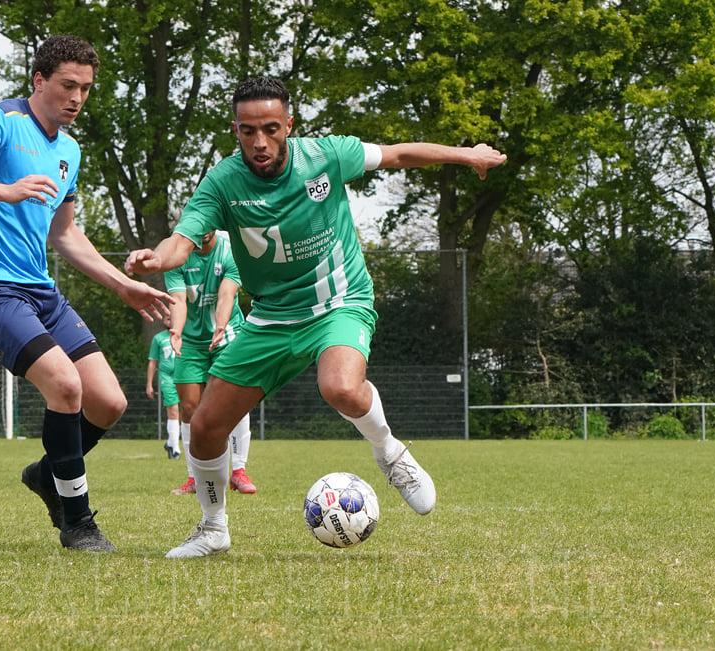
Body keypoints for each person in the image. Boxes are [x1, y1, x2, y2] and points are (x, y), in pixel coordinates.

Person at [126, 76, 507, 558]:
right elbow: (181, 242)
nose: (259, 142)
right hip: (270, 317)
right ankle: (213, 529)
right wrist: (156, 261)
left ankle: (390, 453)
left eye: (270, 128)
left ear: (289, 124)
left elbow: (397, 155)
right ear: (236, 130)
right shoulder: (222, 181)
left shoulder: (327, 155)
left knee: (340, 387)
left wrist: (467, 154)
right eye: (247, 131)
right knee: (203, 429)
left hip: (339, 302)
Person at [0, 34, 171, 552]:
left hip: (39, 290)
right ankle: (77, 521)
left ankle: (45, 472)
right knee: (65, 385)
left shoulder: (69, 149)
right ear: (39, 81)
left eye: (85, 88)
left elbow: (65, 234)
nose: (77, 97)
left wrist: (123, 282)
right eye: (67, 85)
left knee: (108, 402)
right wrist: (5, 190)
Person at [165, 230, 255, 496]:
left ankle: (238, 471)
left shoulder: (231, 248)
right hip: (190, 341)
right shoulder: (176, 253)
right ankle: (195, 478)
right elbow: (179, 300)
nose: (201, 232)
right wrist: (177, 331)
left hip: (226, 334)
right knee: (189, 407)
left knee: (235, 401)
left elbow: (227, 294)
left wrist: (221, 325)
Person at [146, 317, 181, 460]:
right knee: (172, 410)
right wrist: (149, 384)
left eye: (171, 316)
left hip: (183, 376)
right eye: (166, 317)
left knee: (183, 412)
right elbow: (153, 362)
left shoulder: (183, 335)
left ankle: (171, 441)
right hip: (166, 377)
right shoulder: (158, 338)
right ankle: (175, 448)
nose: (168, 319)